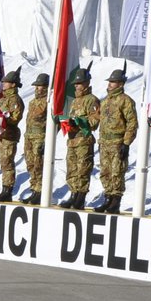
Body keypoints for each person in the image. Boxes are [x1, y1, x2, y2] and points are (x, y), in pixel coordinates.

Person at [58, 67, 101, 210]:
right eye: (76, 83)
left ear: (87, 83)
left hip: (83, 140)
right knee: (72, 170)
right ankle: (73, 194)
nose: (76, 85)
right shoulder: (75, 101)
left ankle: (80, 198)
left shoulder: (92, 100)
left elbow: (94, 121)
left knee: (83, 169)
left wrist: (79, 122)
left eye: (79, 83)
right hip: (72, 141)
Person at [95, 69, 137, 213]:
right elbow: (99, 121)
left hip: (118, 142)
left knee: (117, 172)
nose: (110, 84)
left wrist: (126, 143)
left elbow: (132, 123)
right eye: (110, 82)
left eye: (113, 82)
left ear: (120, 83)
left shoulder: (126, 101)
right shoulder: (105, 101)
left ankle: (115, 202)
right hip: (105, 142)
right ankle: (107, 198)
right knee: (105, 172)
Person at [0, 69, 25, 202]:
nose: (4, 84)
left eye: (6, 82)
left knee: (7, 163)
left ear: (13, 84)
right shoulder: (3, 99)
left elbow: (15, 118)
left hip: (10, 134)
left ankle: (8, 190)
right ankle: (4, 188)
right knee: (3, 163)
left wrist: (5, 117)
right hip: (2, 135)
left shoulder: (15, 100)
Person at [23, 73, 50, 203]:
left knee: (39, 165)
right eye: (36, 86)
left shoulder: (48, 101)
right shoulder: (32, 102)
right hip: (29, 136)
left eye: (40, 86)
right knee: (31, 165)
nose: (37, 88)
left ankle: (40, 191)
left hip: (40, 137)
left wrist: (47, 140)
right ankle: (34, 189)